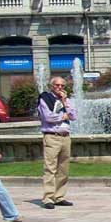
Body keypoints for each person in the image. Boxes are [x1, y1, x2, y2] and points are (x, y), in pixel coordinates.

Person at [38, 76, 77, 209]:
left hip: (65, 136)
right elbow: (47, 117)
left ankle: (59, 196)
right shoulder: (45, 98)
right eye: (57, 85)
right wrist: (63, 116)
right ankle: (48, 197)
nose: (60, 88)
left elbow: (74, 115)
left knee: (63, 168)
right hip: (51, 136)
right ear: (52, 86)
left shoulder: (66, 100)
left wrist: (65, 101)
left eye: (62, 86)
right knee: (50, 168)